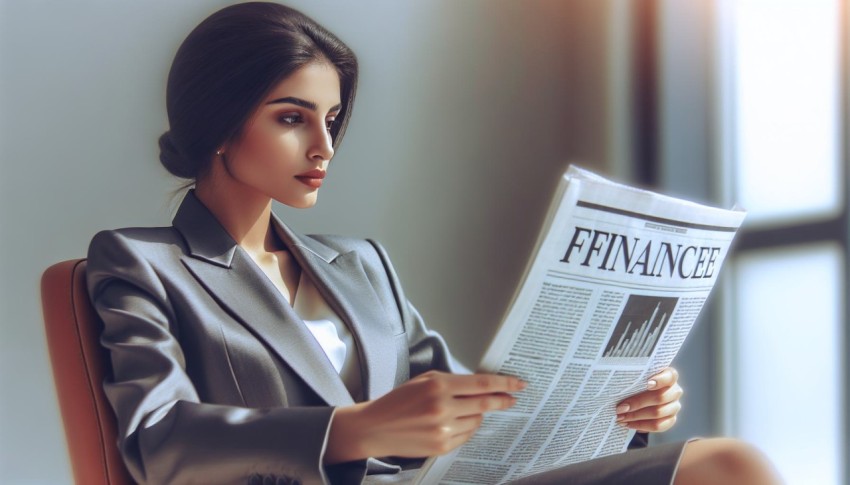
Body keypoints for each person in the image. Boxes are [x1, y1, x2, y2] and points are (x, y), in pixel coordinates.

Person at [86, 2, 781, 484]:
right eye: (292, 118)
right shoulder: (143, 264)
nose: (324, 146)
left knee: (727, 467)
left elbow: (473, 413)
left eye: (332, 118)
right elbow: (158, 442)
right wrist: (356, 429)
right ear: (219, 122)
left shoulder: (360, 265)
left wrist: (618, 408)